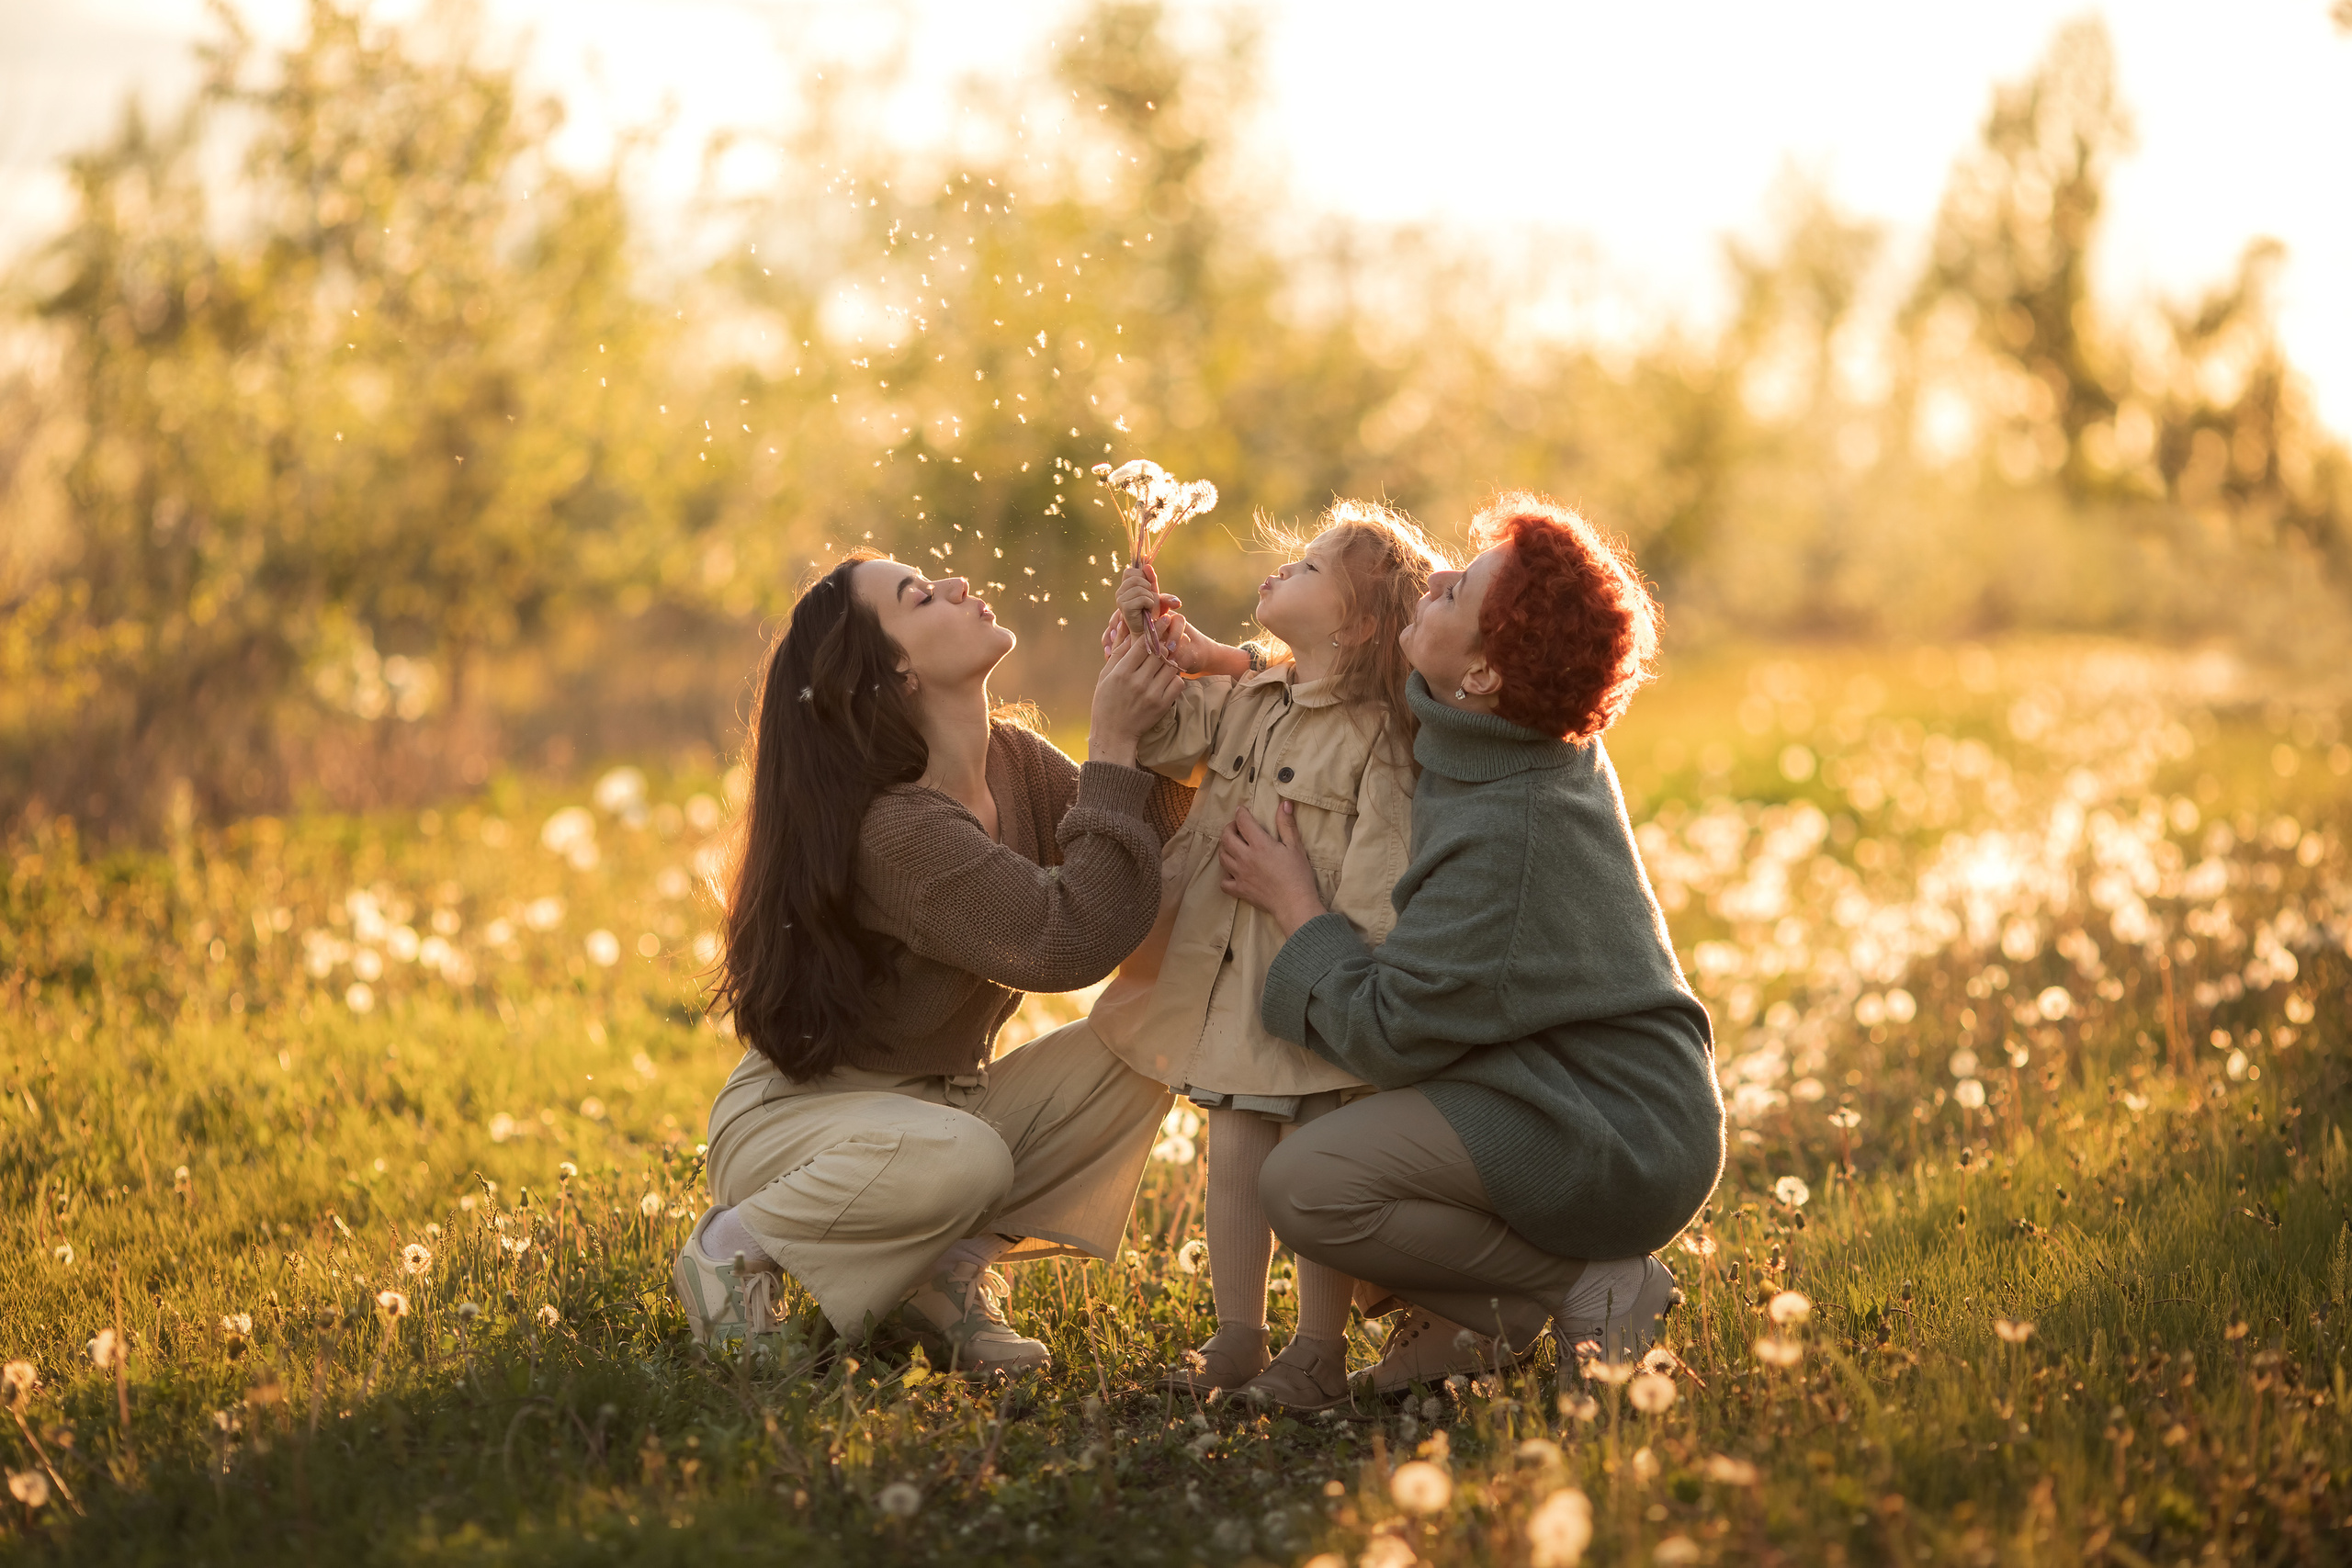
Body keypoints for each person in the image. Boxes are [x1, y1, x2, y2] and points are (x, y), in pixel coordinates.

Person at [1216, 493, 1724, 1396]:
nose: (1435, 578)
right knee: (1355, 1137)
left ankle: (1589, 1286)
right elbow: (1341, 678)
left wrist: (1299, 906)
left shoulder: (1509, 830)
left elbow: (1387, 1032)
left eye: (1458, 594)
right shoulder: (1506, 725)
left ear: (1484, 673)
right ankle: (1481, 1316)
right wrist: (1228, 662)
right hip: (1553, 1081)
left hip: (1605, 1123)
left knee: (1308, 1184)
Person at [673, 549, 1188, 1374]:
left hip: (944, 1106)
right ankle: (730, 1249)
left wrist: (1169, 677)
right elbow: (1062, 940)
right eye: (919, 596)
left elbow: (1153, 827)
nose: (956, 585)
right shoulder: (895, 828)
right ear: (897, 669)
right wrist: (1114, 739)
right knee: (964, 1157)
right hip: (801, 1121)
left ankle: (942, 1276)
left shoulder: (1011, 762)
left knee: (1160, 1030)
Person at [1091, 502, 1449, 1407]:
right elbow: (1171, 741)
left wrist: (1347, 966)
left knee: (1313, 1171)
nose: (1283, 570)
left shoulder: (1378, 738)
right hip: (1231, 981)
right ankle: (1237, 1335)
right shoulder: (1256, 695)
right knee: (1236, 1158)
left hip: (1308, 986)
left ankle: (1318, 1347)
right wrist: (1146, 646)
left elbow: (1379, 879)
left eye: (1312, 569)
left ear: (1360, 623)